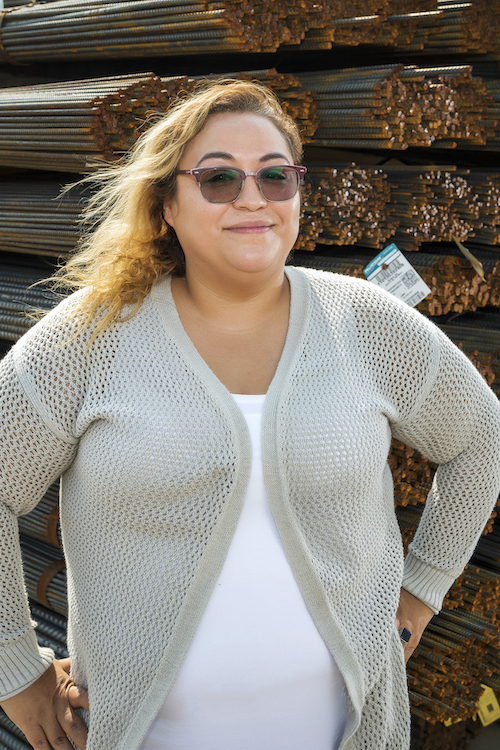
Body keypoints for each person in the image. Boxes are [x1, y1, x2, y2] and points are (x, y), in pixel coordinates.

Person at [1, 79, 500, 750]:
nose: (252, 199)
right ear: (167, 203)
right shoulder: (90, 338)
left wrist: (419, 593)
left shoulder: (364, 322)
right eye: (218, 180)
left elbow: (482, 439)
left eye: (275, 177)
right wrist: (16, 670)